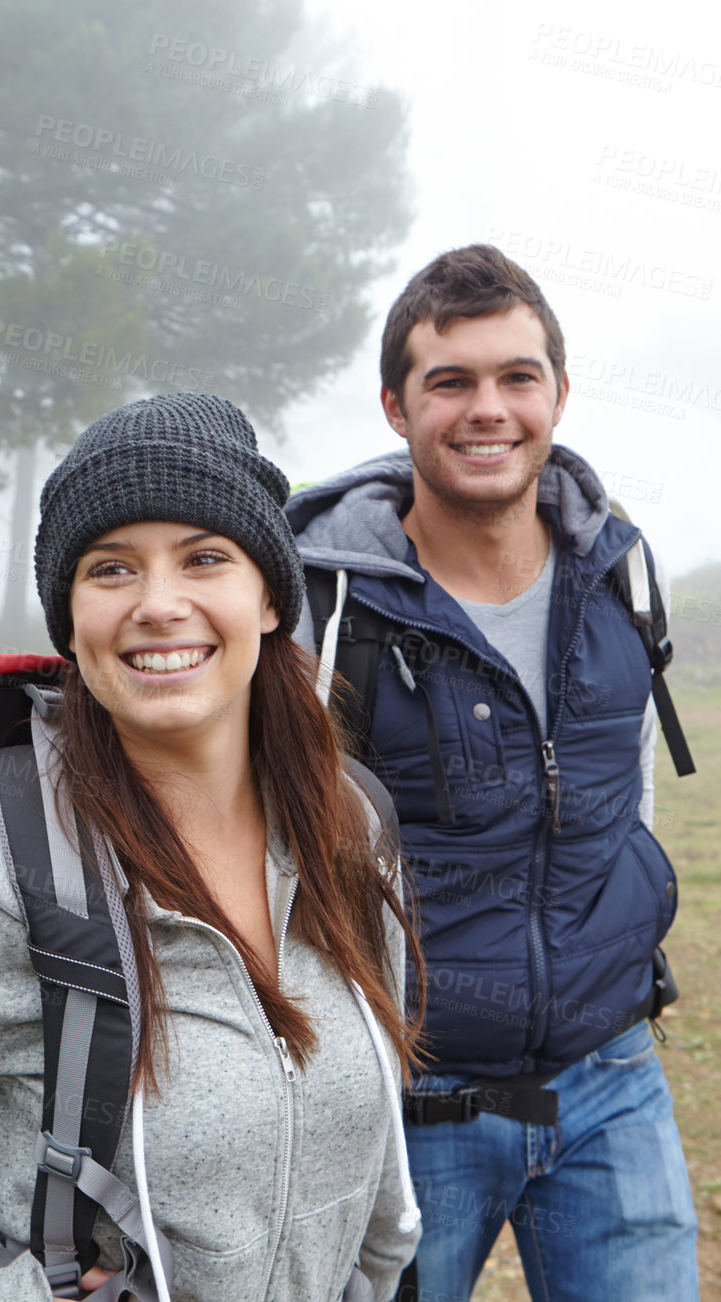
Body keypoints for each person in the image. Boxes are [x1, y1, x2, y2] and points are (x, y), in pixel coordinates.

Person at [0, 393, 423, 1301]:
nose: (158, 605)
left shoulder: (350, 832)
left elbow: (377, 1149)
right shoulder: (0, 894)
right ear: (71, 622)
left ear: (267, 599)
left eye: (205, 558)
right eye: (111, 570)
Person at [287, 244, 698, 1301]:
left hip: (610, 1081)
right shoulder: (324, 609)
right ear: (394, 406)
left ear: (558, 392)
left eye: (517, 377)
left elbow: (625, 794)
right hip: (405, 1104)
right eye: (450, 382)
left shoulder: (621, 571)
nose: (489, 409)